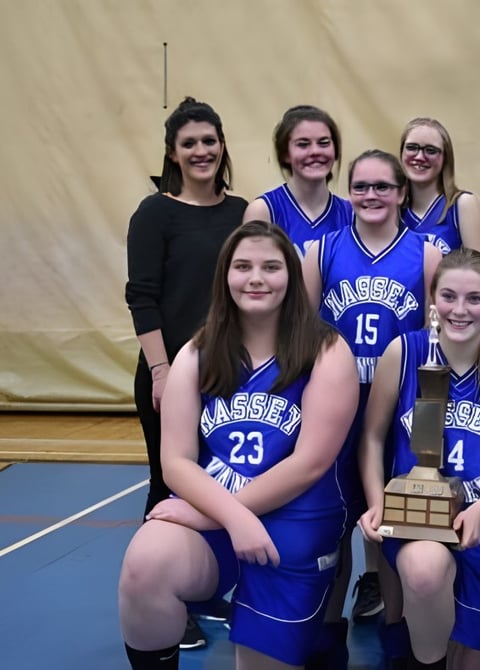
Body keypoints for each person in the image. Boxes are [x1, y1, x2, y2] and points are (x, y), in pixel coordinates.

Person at [118, 220, 359, 670]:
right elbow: (175, 461)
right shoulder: (197, 351)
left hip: (295, 514)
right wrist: (228, 516)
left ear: (291, 276)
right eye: (243, 266)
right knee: (144, 565)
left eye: (271, 267)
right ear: (225, 276)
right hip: (218, 509)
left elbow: (310, 463)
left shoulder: (327, 350)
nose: (256, 278)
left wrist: (221, 514)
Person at [358, 248, 480, 669]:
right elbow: (371, 438)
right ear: (432, 300)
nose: (460, 310)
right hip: (417, 516)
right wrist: (377, 502)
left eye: (475, 299)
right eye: (449, 297)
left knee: (473, 660)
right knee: (424, 571)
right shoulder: (403, 353)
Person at [302, 149, 442, 666]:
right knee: (332, 527)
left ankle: (397, 634)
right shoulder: (321, 252)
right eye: (361, 186)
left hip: (399, 411)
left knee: (395, 527)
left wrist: (430, 419)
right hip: (337, 407)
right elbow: (303, 334)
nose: (371, 196)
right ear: (349, 191)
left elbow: (436, 342)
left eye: (383, 186)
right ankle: (327, 635)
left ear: (402, 193)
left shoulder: (427, 253)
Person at [124, 96, 247, 649]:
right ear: (173, 154)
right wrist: (161, 371)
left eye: (209, 140)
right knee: (169, 479)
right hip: (171, 374)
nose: (201, 150)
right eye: (189, 143)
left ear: (222, 147)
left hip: (232, 378)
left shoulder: (244, 211)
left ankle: (207, 583)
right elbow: (142, 298)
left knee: (222, 480)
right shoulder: (156, 213)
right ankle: (162, 590)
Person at [243, 105, 353, 256]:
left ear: (335, 151)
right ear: (285, 154)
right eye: (303, 144)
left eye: (324, 143)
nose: (315, 151)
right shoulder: (264, 211)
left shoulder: (351, 213)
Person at [399, 117, 480, 260]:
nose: (419, 156)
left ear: (445, 159)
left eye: (431, 150)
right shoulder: (393, 210)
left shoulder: (463, 204)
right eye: (412, 147)